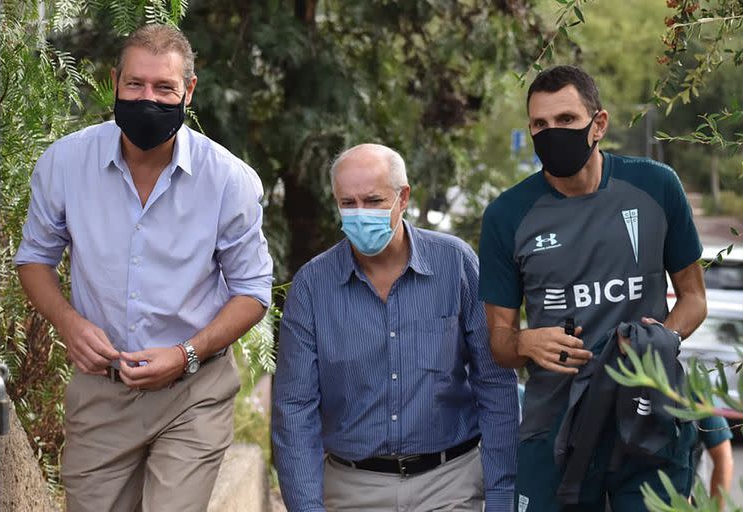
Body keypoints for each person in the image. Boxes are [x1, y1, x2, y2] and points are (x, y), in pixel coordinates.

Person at [15, 24, 273, 511]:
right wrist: (68, 324)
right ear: (114, 81)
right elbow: (34, 260)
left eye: (164, 88)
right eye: (135, 85)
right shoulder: (65, 164)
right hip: (101, 389)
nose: (147, 99)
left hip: (193, 389)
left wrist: (185, 353)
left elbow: (253, 291)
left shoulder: (229, 181)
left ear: (188, 91)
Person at [478, 65, 707, 511]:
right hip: (553, 426)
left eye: (566, 120)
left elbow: (694, 298)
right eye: (540, 125)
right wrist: (526, 341)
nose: (551, 133)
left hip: (646, 414)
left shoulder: (655, 186)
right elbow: (500, 344)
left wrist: (662, 339)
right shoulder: (506, 216)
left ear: (597, 124)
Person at [272, 143, 519, 512]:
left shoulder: (456, 265)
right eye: (348, 203)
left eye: (372, 201)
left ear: (402, 198)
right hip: (352, 489)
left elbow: (495, 384)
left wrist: (502, 497)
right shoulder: (312, 285)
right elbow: (294, 407)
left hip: (449, 483)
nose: (359, 214)